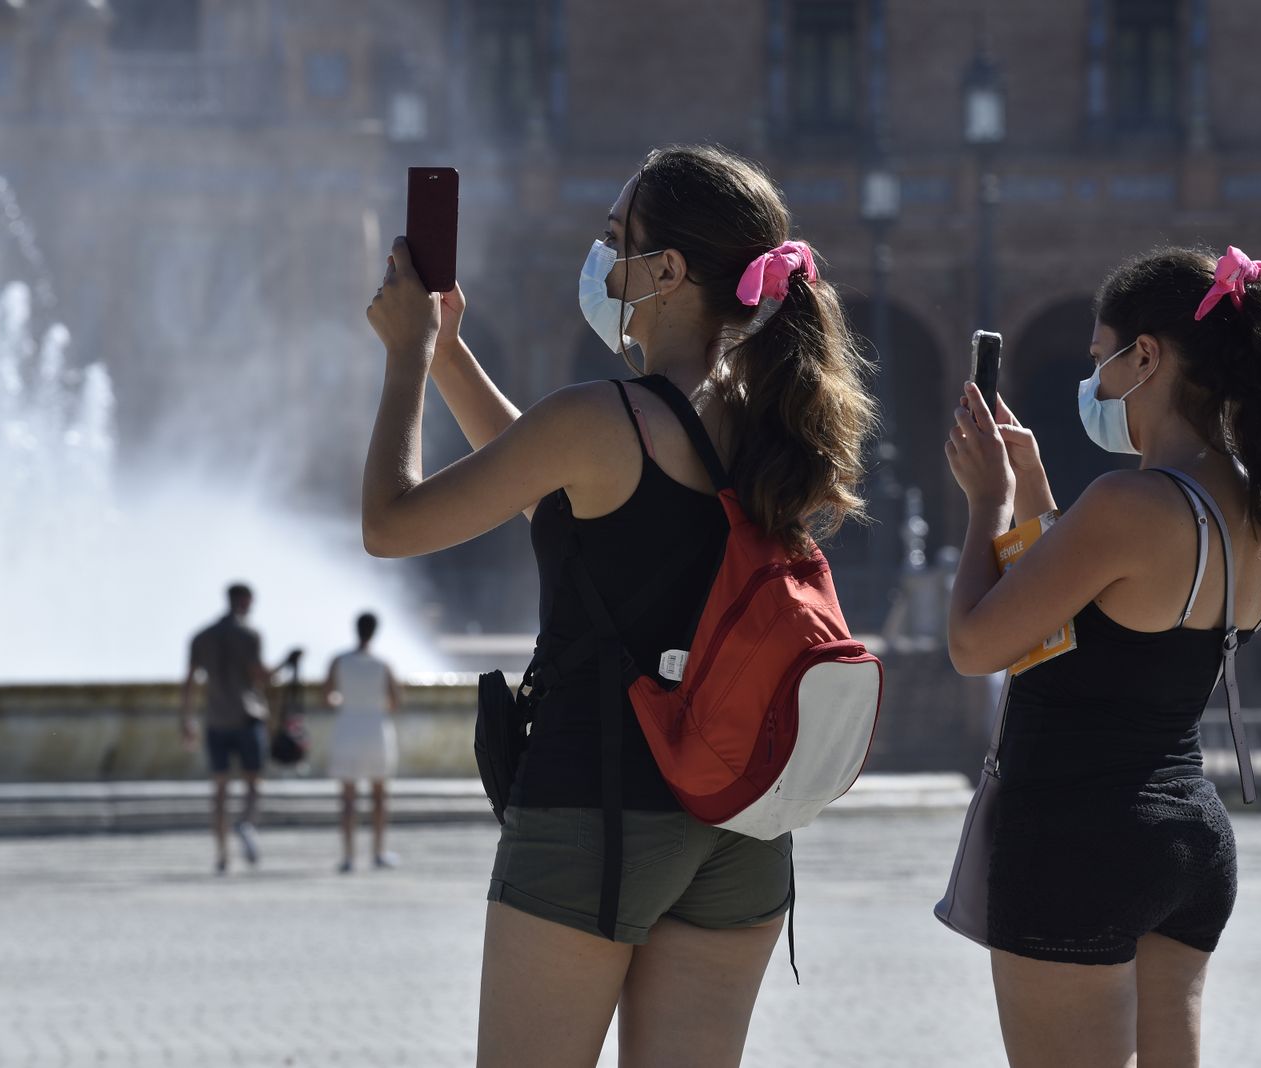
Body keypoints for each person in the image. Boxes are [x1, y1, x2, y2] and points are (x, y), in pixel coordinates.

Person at [358, 145, 877, 1067]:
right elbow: (552, 488)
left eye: (615, 240)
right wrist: (448, 354)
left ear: (668, 271)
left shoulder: (601, 419)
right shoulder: (774, 417)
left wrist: (405, 358)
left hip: (596, 807)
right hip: (739, 819)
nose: (601, 259)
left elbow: (392, 523)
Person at [942, 246, 1261, 1066]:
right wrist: (1035, 497)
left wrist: (986, 503)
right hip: (1186, 835)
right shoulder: (1259, 503)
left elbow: (974, 644)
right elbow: (1102, 612)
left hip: (1076, 833)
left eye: (1100, 359)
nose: (1093, 382)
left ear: (1147, 356)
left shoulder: (1128, 502)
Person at [180, 583, 301, 875]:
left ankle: (222, 854)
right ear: (243, 602)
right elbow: (261, 677)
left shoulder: (201, 636)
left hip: (216, 717)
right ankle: (246, 823)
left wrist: (187, 719)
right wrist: (288, 662)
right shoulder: (249, 635)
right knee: (253, 783)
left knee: (220, 790)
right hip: (247, 716)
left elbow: (190, 682)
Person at [323, 611, 405, 873]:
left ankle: (348, 856)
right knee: (379, 795)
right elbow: (395, 700)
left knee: (348, 798)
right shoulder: (383, 663)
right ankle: (378, 852)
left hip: (348, 727)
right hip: (375, 728)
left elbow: (327, 697)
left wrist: (346, 702)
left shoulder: (338, 660)